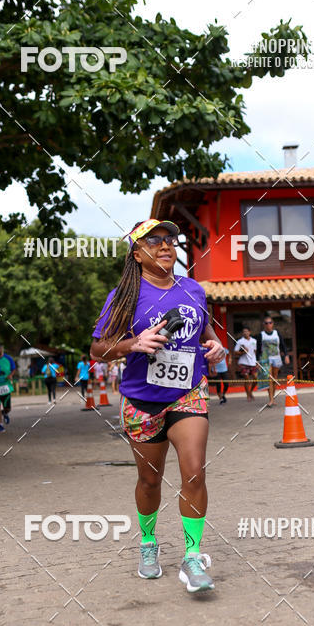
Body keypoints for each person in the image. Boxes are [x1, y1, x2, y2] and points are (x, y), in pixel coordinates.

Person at [90, 218, 224, 593]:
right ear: (137, 253)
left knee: (194, 471)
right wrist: (132, 344)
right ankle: (148, 543)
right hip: (141, 401)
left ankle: (193, 557)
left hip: (188, 392)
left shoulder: (193, 289)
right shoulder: (124, 296)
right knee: (149, 480)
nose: (166, 246)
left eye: (171, 240)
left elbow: (207, 333)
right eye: (155, 242)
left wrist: (215, 347)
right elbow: (97, 349)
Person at [258, 316, 291, 407]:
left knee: (274, 379)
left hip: (276, 358)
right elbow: (258, 349)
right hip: (266, 359)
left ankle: (273, 398)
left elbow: (283, 345)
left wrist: (286, 355)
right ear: (264, 325)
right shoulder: (261, 335)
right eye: (266, 323)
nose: (268, 324)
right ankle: (271, 399)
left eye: (270, 322)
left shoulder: (277, 333)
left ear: (273, 324)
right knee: (269, 378)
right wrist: (258, 361)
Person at [234, 327, 258, 401]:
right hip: (243, 362)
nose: (245, 333)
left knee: (255, 379)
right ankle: (248, 395)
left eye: (246, 331)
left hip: (253, 362)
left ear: (249, 332)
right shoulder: (240, 341)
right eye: (244, 331)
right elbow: (235, 351)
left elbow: (256, 351)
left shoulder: (254, 341)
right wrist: (242, 352)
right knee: (247, 378)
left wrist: (257, 361)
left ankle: (250, 392)